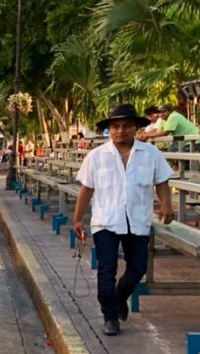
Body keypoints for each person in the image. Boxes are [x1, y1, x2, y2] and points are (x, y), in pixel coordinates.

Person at [72, 103, 174, 336]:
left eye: (126, 126)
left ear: (136, 128)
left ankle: (119, 298)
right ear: (109, 129)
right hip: (106, 220)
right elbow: (86, 189)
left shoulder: (151, 154)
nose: (120, 131)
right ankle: (110, 317)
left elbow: (162, 181)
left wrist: (166, 205)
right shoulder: (96, 156)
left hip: (137, 220)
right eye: (115, 126)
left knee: (137, 268)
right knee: (106, 270)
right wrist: (78, 219)